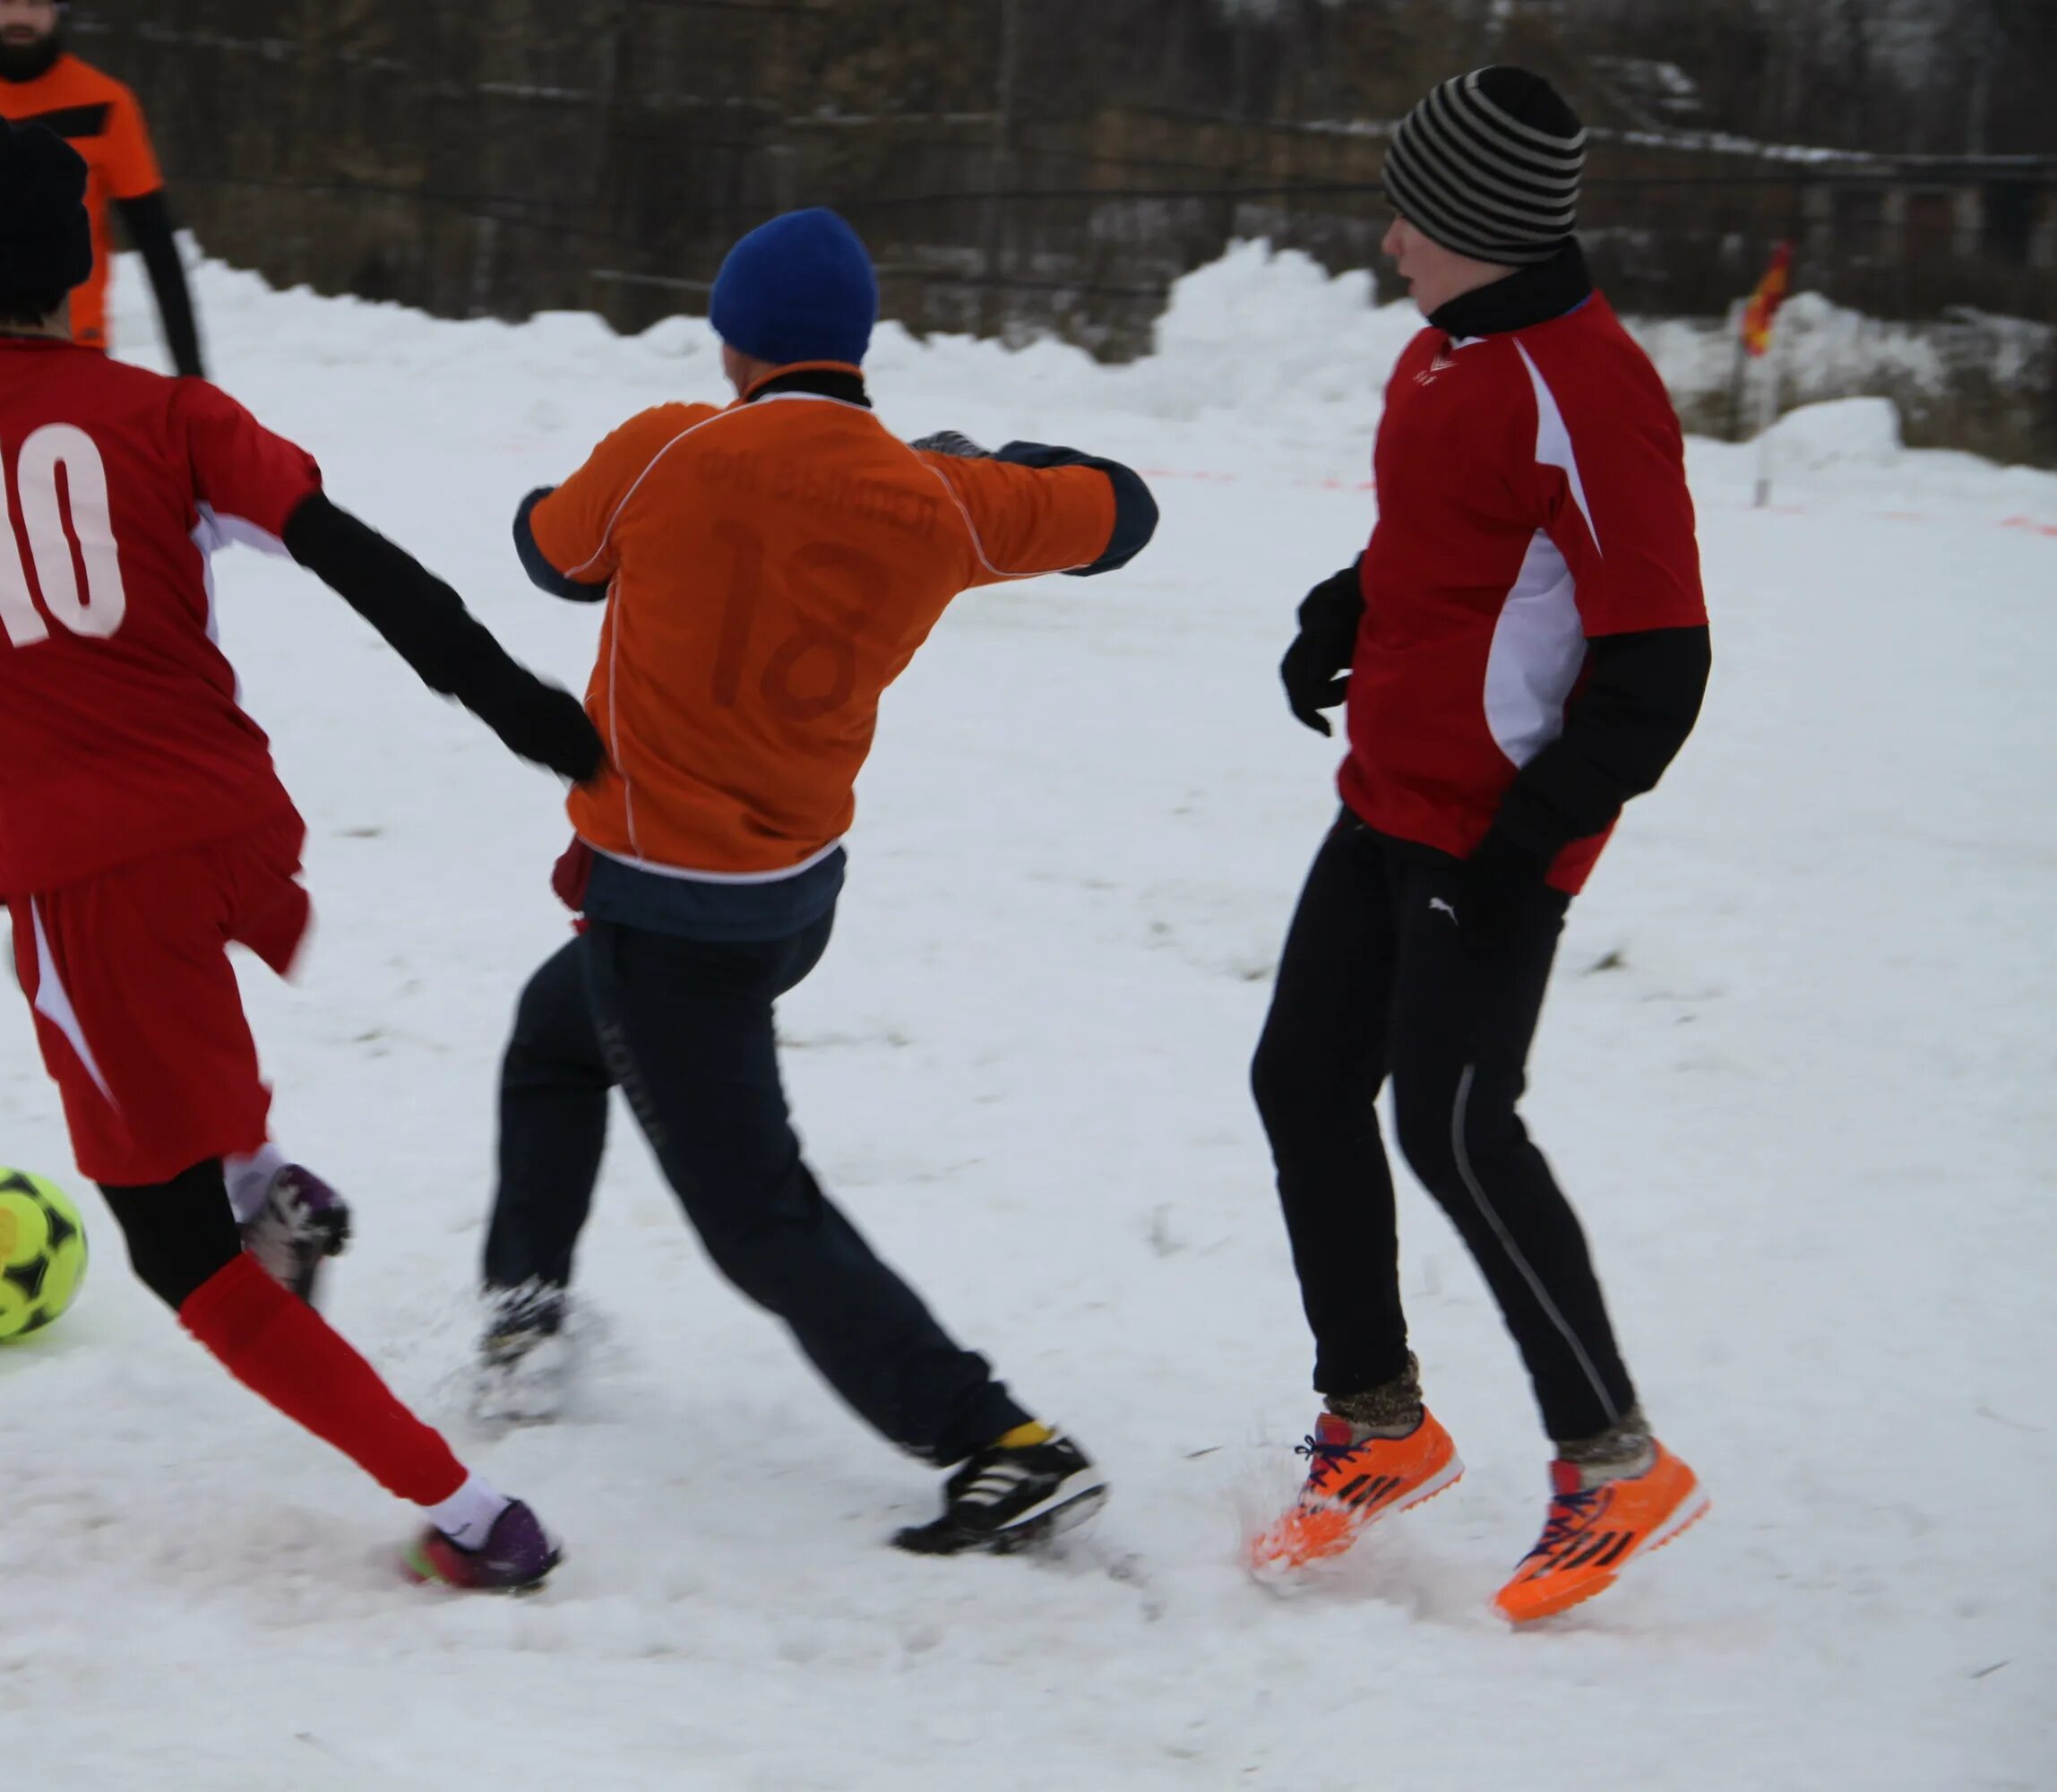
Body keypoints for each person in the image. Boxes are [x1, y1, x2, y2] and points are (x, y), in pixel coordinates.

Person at [0, 116, 603, 1591]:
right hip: (241, 829)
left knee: (180, 1263)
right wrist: (525, 713)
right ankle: (262, 1176)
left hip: (89, 874)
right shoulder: (169, 415)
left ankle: (473, 1513)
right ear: (81, 266)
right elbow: (364, 561)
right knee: (152, 1018)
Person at [476, 209, 1157, 1556]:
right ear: (858, 347)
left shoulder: (670, 444)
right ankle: (525, 1315)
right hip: (790, 898)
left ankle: (997, 1440)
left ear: (732, 340)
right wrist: (983, 465)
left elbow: (549, 552)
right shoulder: (943, 500)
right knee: (556, 1044)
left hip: (666, 908)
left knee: (756, 1216)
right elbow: (1123, 513)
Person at [1244, 67, 1714, 1624]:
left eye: (1411, 214)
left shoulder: (1589, 389)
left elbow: (1659, 659)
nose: (1390, 240)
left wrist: (1531, 840)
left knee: (1452, 1123)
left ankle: (1613, 1461)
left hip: (1491, 832)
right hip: (1386, 798)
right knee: (1302, 1080)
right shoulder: (1444, 355)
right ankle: (1377, 1421)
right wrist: (1346, 611)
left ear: (1478, 227)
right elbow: (1442, 545)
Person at [0, 0, 205, 380]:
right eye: (7, 2)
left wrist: (189, 369)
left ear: (59, 9)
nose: (20, 17)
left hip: (73, 349)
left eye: (36, 4)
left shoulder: (106, 102)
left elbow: (155, 240)